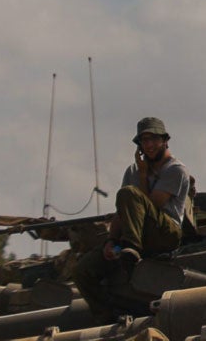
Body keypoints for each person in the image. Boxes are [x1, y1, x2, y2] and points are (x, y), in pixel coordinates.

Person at [70, 117, 190, 316]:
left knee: (129, 194)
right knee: (82, 270)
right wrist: (111, 241)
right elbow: (122, 212)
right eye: (144, 140)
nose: (149, 145)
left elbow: (152, 205)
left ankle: (131, 250)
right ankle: (108, 317)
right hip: (132, 236)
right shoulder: (133, 171)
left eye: (154, 139)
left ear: (165, 140)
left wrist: (143, 176)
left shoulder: (175, 170)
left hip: (164, 233)